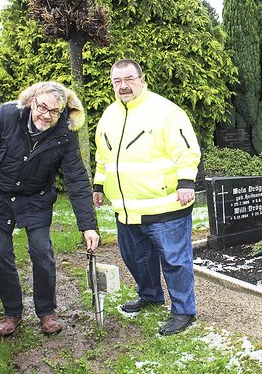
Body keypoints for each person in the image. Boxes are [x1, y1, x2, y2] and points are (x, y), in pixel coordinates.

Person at [0, 81, 99, 336]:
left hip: (36, 199)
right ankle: (12, 313)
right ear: (32, 102)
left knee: (42, 253)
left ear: (62, 112)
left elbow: (76, 179)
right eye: (42, 107)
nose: (46, 115)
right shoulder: (6, 115)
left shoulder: (65, 134)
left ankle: (46, 312)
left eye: (54, 111)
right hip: (0, 197)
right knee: (0, 255)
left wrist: (88, 226)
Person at [93, 59, 201, 336]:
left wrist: (186, 181)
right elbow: (103, 157)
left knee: (175, 261)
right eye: (117, 81)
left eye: (129, 79)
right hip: (126, 209)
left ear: (142, 79)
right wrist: (98, 185)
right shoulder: (109, 115)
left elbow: (186, 150)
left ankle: (184, 311)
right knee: (136, 258)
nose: (123, 86)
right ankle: (151, 295)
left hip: (165, 205)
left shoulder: (166, 111)